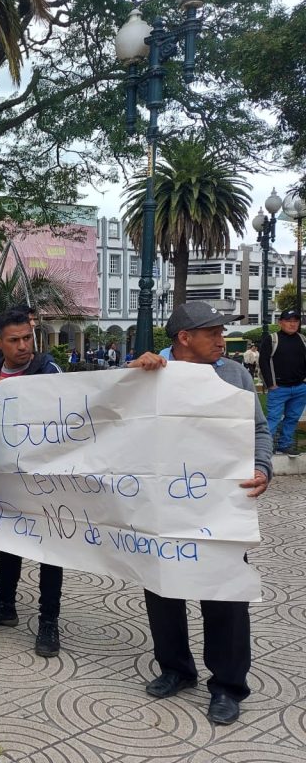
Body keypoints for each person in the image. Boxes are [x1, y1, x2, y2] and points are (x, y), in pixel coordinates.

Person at [127, 301, 272, 725]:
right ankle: (175, 669)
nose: (221, 341)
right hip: (161, 507)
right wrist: (133, 375)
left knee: (224, 594)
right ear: (184, 338)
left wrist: (262, 467)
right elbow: (112, 424)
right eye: (213, 333)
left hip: (217, 508)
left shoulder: (234, 374)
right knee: (163, 587)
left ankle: (227, 686)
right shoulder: (147, 373)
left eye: (221, 332)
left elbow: (258, 429)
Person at [0, 307, 65, 657]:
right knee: (9, 543)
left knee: (50, 551)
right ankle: (4, 604)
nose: (24, 346)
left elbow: (63, 413)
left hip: (45, 483)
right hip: (4, 479)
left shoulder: (47, 368)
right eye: (15, 340)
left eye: (28, 338)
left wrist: (21, 389)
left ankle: (48, 621)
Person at [259, 309, 306, 456]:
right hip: (279, 388)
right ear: (280, 322)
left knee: (292, 418)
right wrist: (271, 384)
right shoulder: (271, 339)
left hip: (300, 387)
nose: (292, 324)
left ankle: (284, 445)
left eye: (295, 321)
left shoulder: (303, 339)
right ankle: (265, 448)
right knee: (273, 418)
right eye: (288, 321)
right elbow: (264, 362)